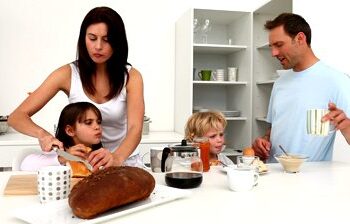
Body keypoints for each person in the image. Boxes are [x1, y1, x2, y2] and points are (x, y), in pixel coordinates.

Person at [8, 6, 145, 170]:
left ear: (118, 42)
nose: (98, 46)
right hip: (82, 163)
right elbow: (16, 117)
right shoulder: (67, 74)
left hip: (123, 161)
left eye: (107, 39)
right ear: (83, 38)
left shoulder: (132, 77)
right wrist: (42, 135)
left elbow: (135, 128)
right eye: (92, 38)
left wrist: (117, 157)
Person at [252, 13, 350, 162]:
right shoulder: (280, 83)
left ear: (300, 39)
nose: (273, 53)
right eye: (271, 47)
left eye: (279, 45)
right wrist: (264, 142)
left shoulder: (337, 81)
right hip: (273, 177)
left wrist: (346, 127)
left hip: (311, 182)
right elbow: (274, 129)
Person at [20, 102, 103, 171]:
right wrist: (63, 159)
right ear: (70, 131)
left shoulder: (102, 155)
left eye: (99, 122)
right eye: (88, 122)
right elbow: (25, 165)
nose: (97, 127)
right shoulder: (58, 153)